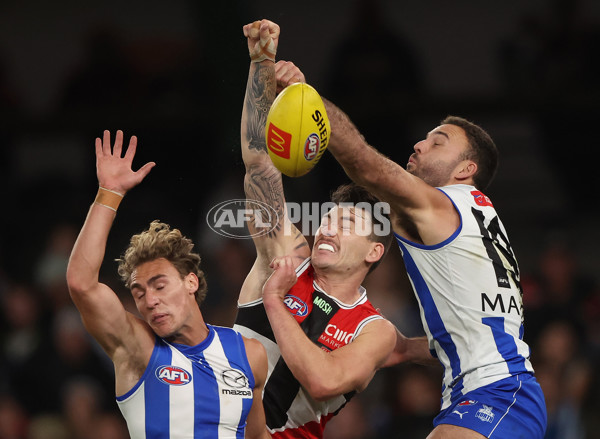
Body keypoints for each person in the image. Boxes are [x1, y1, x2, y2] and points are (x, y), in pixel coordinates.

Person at [232, 19, 429, 439]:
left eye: (347, 223)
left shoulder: (372, 329)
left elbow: (323, 381)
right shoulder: (287, 256)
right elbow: (257, 162)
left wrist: (273, 299)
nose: (327, 229)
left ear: (374, 252)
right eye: (327, 219)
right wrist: (261, 64)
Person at [319, 93, 548, 436]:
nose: (419, 145)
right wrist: (408, 348)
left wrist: (310, 102)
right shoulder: (478, 215)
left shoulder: (443, 205)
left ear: (465, 169)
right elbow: (480, 331)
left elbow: (364, 163)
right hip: (500, 394)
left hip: (497, 395)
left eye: (437, 142)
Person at [66, 130, 270, 439]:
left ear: (190, 282)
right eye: (139, 293)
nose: (149, 300)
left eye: (159, 286)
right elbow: (81, 284)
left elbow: (257, 437)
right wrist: (109, 193)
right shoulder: (138, 349)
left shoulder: (248, 354)